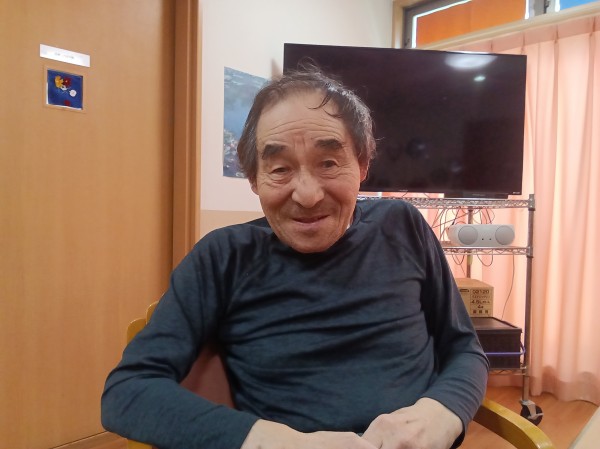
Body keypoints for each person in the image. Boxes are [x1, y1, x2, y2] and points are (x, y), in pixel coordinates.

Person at [101, 67, 488, 449]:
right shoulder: (222, 257)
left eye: (328, 163)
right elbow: (127, 391)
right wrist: (271, 441)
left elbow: (464, 348)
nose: (307, 195)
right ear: (254, 179)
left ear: (362, 165)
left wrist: (440, 413)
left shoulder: (402, 225)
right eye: (280, 169)